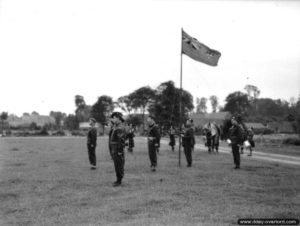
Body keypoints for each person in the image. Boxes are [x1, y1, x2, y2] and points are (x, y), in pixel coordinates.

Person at [109, 112, 126, 186]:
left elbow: (121, 140)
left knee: (119, 164)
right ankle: (118, 179)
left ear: (118, 118)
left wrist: (119, 151)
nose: (113, 119)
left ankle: (119, 180)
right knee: (117, 164)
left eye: (114, 118)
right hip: (114, 148)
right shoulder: (116, 126)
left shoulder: (120, 127)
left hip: (117, 148)